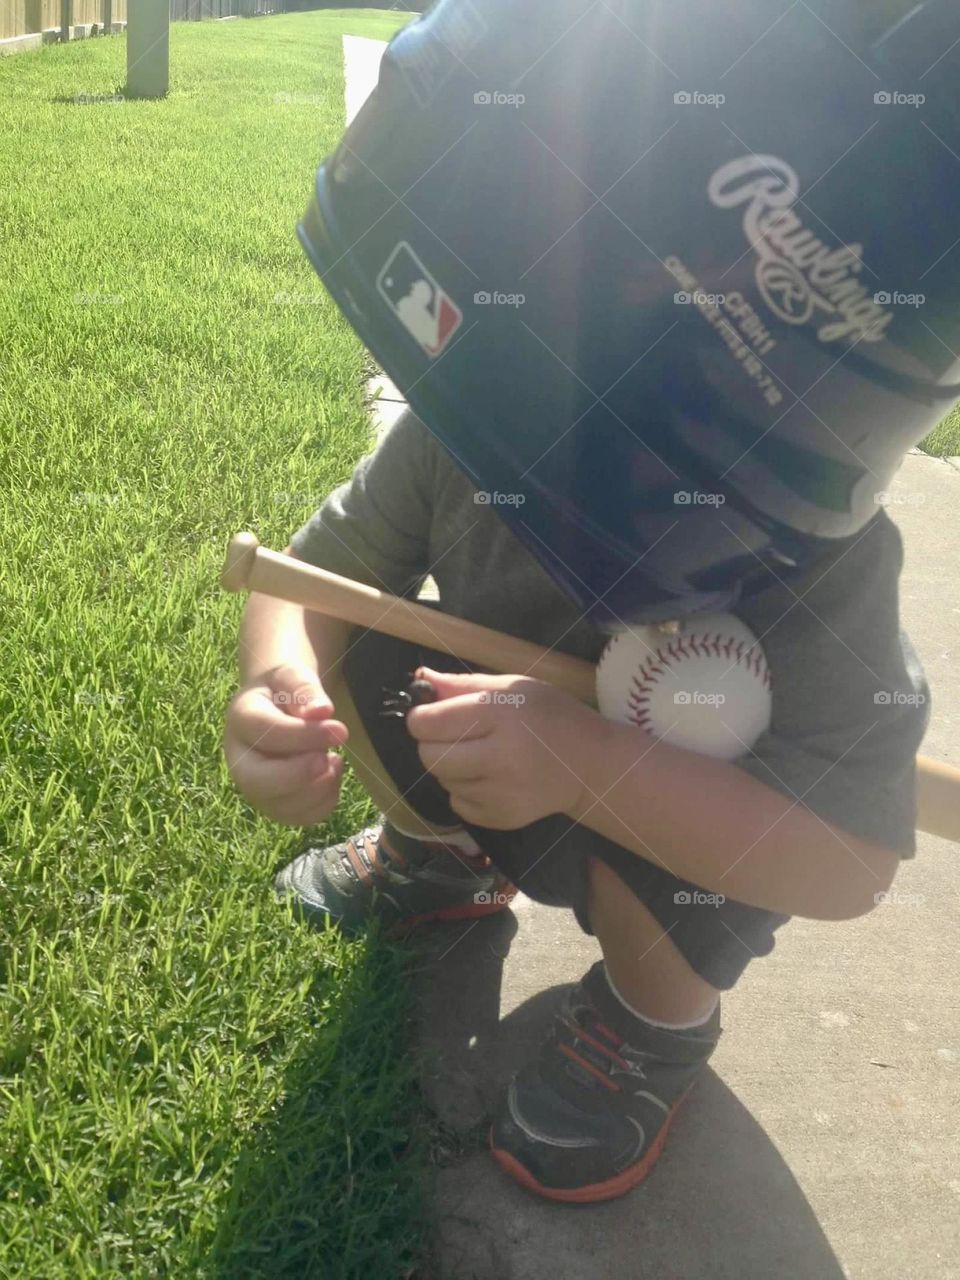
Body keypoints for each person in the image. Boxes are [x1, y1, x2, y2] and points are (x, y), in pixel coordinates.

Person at [223, 0, 946, 1202]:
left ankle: (652, 1022)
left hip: (660, 832)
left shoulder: (818, 553)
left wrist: (590, 765)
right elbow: (319, 579)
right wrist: (275, 684)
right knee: (373, 643)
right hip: (493, 760)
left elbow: (853, 863)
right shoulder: (482, 412)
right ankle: (435, 859)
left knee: (702, 830)